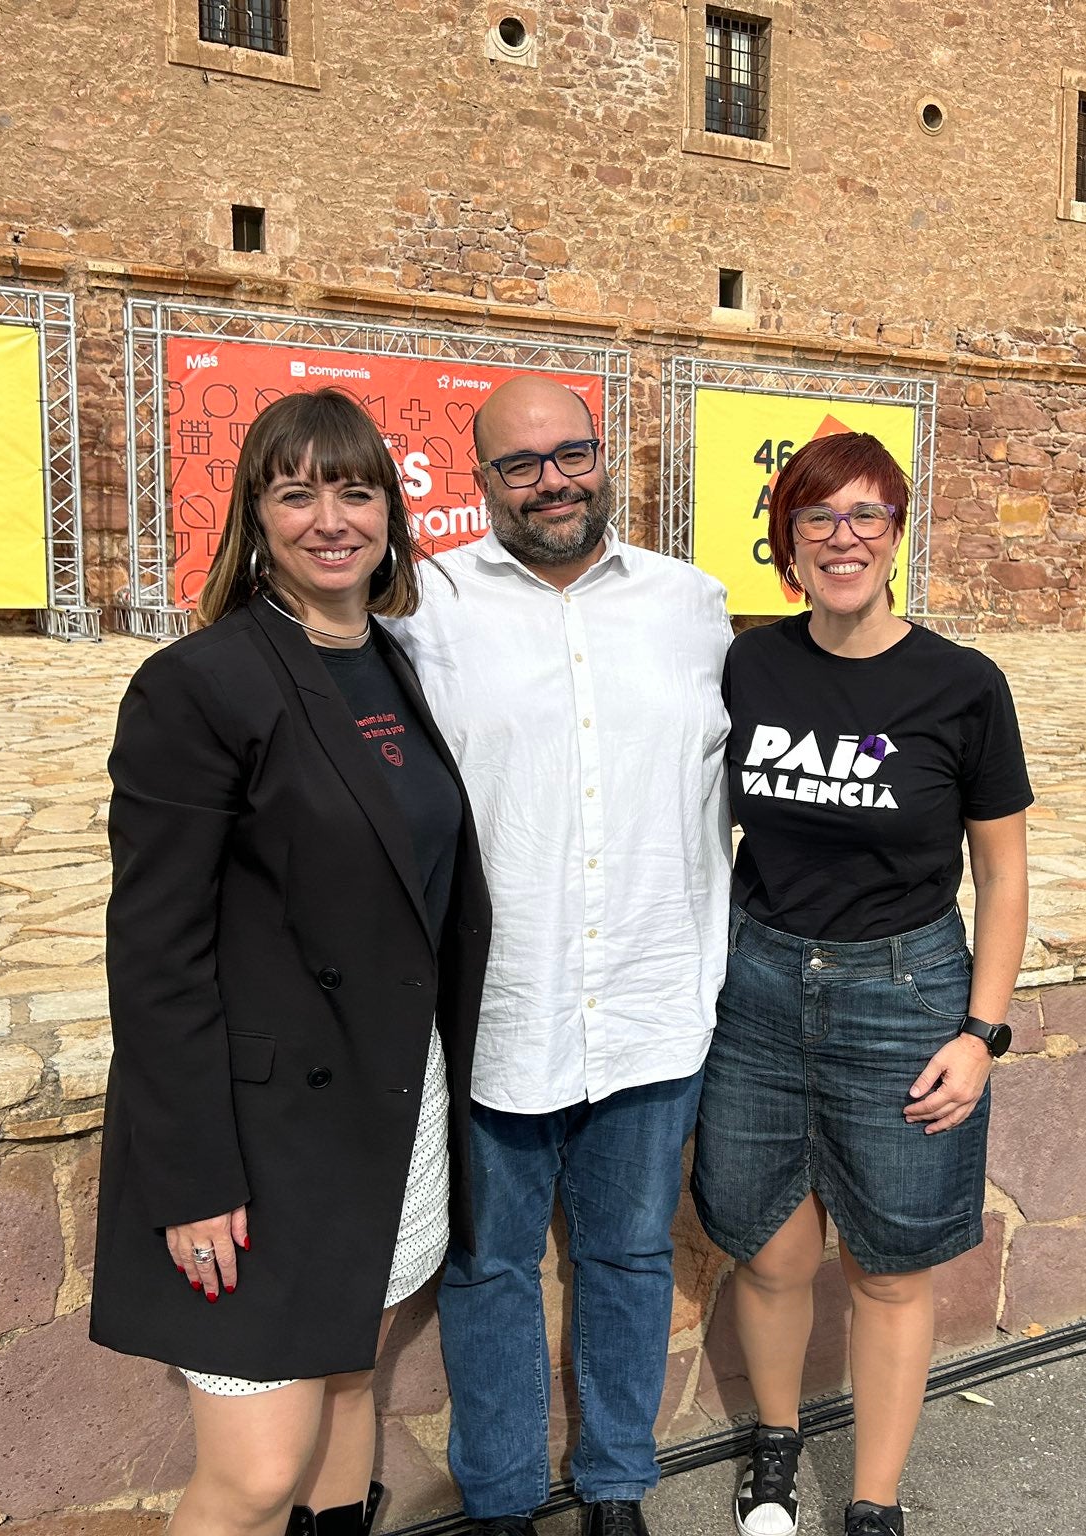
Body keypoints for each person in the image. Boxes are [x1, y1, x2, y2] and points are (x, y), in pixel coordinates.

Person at [90, 389, 491, 1536]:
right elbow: (154, 951)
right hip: (258, 1143)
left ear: (392, 514)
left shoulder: (392, 664)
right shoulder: (199, 684)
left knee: (351, 1382)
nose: (330, 517)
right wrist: (193, 1178)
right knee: (256, 1474)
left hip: (387, 1107)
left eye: (355, 489)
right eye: (295, 490)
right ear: (255, 517)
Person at [385, 375, 732, 1536]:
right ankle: (498, 1500)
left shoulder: (693, 606)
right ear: (480, 480)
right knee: (485, 1275)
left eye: (568, 453)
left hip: (647, 998)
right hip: (496, 1007)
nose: (550, 482)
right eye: (517, 465)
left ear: (603, 454)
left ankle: (617, 1487)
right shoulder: (421, 608)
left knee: (629, 1258)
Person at [691, 432, 1032, 1536]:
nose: (841, 539)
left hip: (904, 989)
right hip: (757, 984)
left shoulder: (961, 686)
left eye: (865, 517)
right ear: (786, 541)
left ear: (895, 533)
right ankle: (777, 1446)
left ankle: (875, 1501)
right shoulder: (749, 666)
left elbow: (1004, 870)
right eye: (816, 519)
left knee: (888, 1266)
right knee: (771, 1243)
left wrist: (980, 1032)